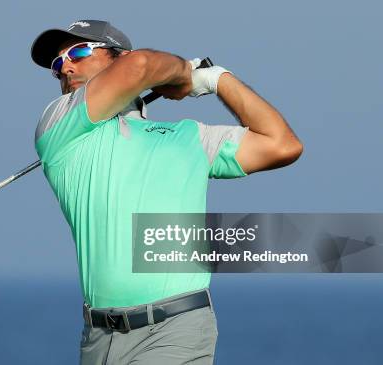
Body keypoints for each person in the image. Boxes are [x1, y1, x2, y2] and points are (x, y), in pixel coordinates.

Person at [30, 20, 303, 364]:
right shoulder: (59, 123)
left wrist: (217, 79)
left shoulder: (189, 137)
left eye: (79, 52)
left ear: (118, 57)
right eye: (57, 66)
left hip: (176, 328)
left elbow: (282, 145)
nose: (65, 67)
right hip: (98, 339)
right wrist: (185, 75)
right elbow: (142, 66)